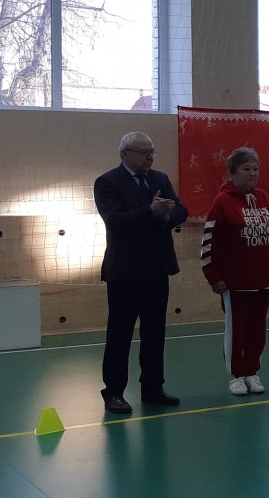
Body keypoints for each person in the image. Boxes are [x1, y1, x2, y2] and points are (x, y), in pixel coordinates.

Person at [94, 131, 188, 414]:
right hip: (125, 273)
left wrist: (167, 215)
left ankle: (153, 387)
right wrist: (152, 212)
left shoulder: (160, 179)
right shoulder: (107, 182)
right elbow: (116, 221)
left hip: (158, 269)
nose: (149, 157)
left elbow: (181, 210)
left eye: (152, 151)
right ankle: (113, 393)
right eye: (143, 152)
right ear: (125, 154)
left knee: (155, 333)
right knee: (120, 335)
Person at [201, 148, 269, 395]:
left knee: (258, 330)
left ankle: (252, 371)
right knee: (237, 331)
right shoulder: (222, 202)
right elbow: (209, 242)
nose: (252, 173)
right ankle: (236, 375)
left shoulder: (265, 198)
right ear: (232, 173)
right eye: (246, 169)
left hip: (263, 278)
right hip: (235, 282)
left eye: (255, 169)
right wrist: (213, 276)